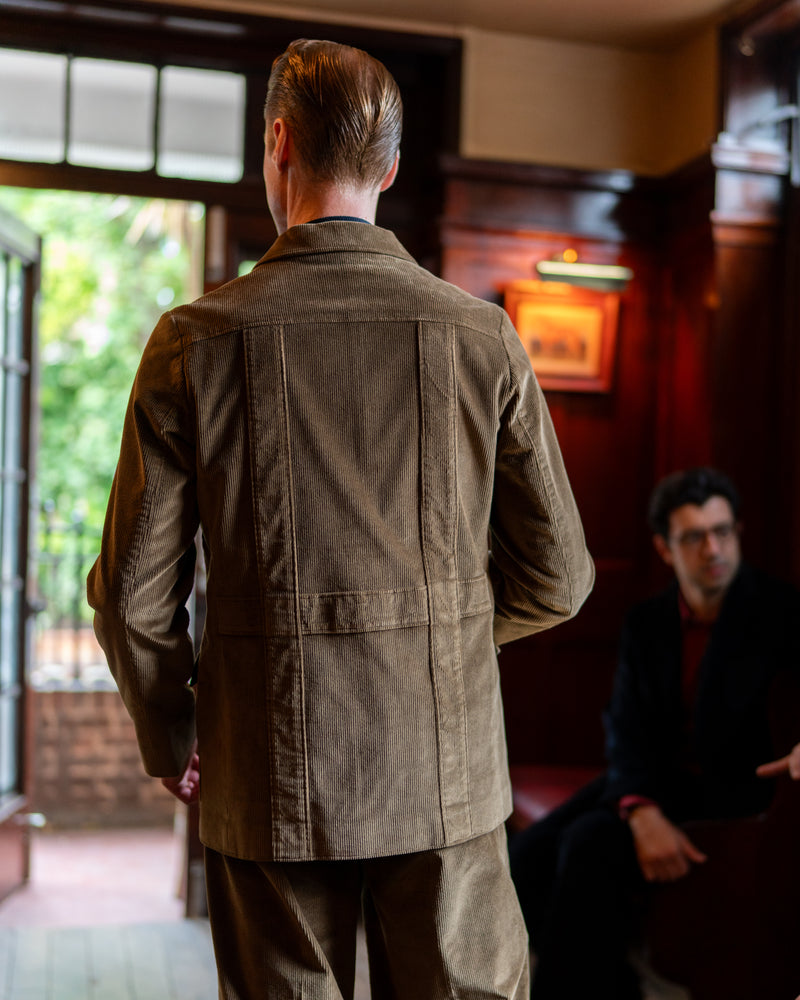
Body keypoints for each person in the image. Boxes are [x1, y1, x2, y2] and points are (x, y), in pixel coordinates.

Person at [86, 38, 594, 1000]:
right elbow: (561, 578)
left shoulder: (194, 344)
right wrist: (432, 649)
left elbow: (132, 599)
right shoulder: (482, 337)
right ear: (392, 166)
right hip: (448, 773)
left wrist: (171, 731)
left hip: (265, 769)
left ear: (277, 143)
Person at [508, 465, 800, 1000]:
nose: (713, 549)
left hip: (734, 790)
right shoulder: (649, 620)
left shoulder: (783, 612)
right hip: (655, 780)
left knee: (586, 845)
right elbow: (625, 725)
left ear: (736, 532)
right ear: (666, 548)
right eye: (694, 537)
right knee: (527, 855)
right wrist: (640, 808)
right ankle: (610, 982)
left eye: (723, 531)